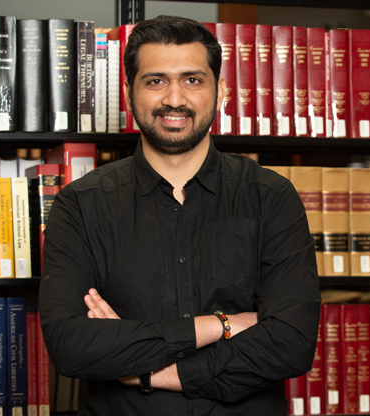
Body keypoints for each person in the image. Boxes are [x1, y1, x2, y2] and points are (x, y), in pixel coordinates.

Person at [38, 15, 321, 415]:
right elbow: (71, 347)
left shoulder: (270, 198)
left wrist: (148, 371)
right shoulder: (81, 205)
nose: (174, 99)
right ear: (128, 92)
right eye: (155, 81)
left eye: (193, 80)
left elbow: (291, 343)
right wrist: (220, 325)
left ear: (220, 90)